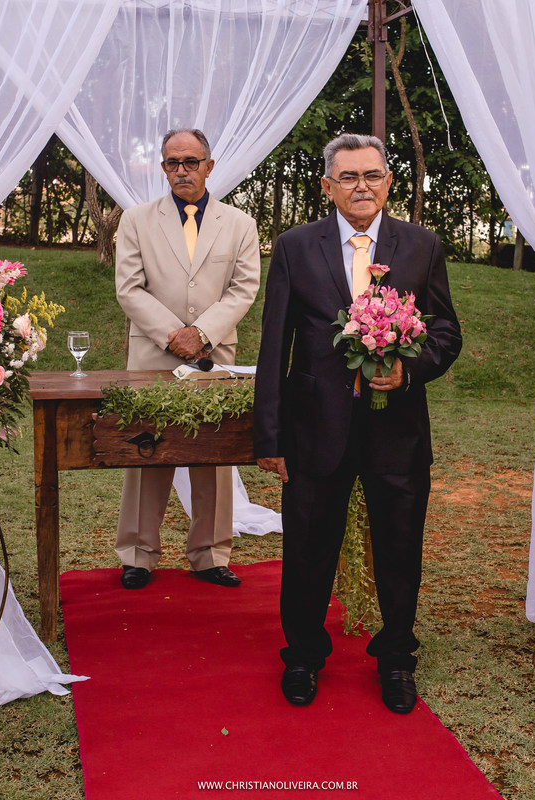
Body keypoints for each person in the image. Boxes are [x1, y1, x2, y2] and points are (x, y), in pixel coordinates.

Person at [253, 133, 462, 713]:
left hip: (397, 430)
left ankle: (396, 657)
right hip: (315, 428)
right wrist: (270, 437)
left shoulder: (421, 246)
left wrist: (408, 368)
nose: (362, 186)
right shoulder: (296, 246)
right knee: (308, 548)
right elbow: (276, 346)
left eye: (372, 175)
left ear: (389, 182)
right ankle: (302, 655)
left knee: (399, 546)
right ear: (327, 186)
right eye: (348, 177)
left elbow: (446, 333)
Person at [114, 128, 261, 590]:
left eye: (191, 161)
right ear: (163, 168)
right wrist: (171, 335)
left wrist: (201, 334)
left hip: (214, 354)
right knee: (146, 448)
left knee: (213, 454)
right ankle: (138, 553)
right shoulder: (136, 220)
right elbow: (129, 288)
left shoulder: (239, 224)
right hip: (152, 354)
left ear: (209, 166)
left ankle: (210, 554)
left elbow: (244, 288)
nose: (182, 170)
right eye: (173, 162)